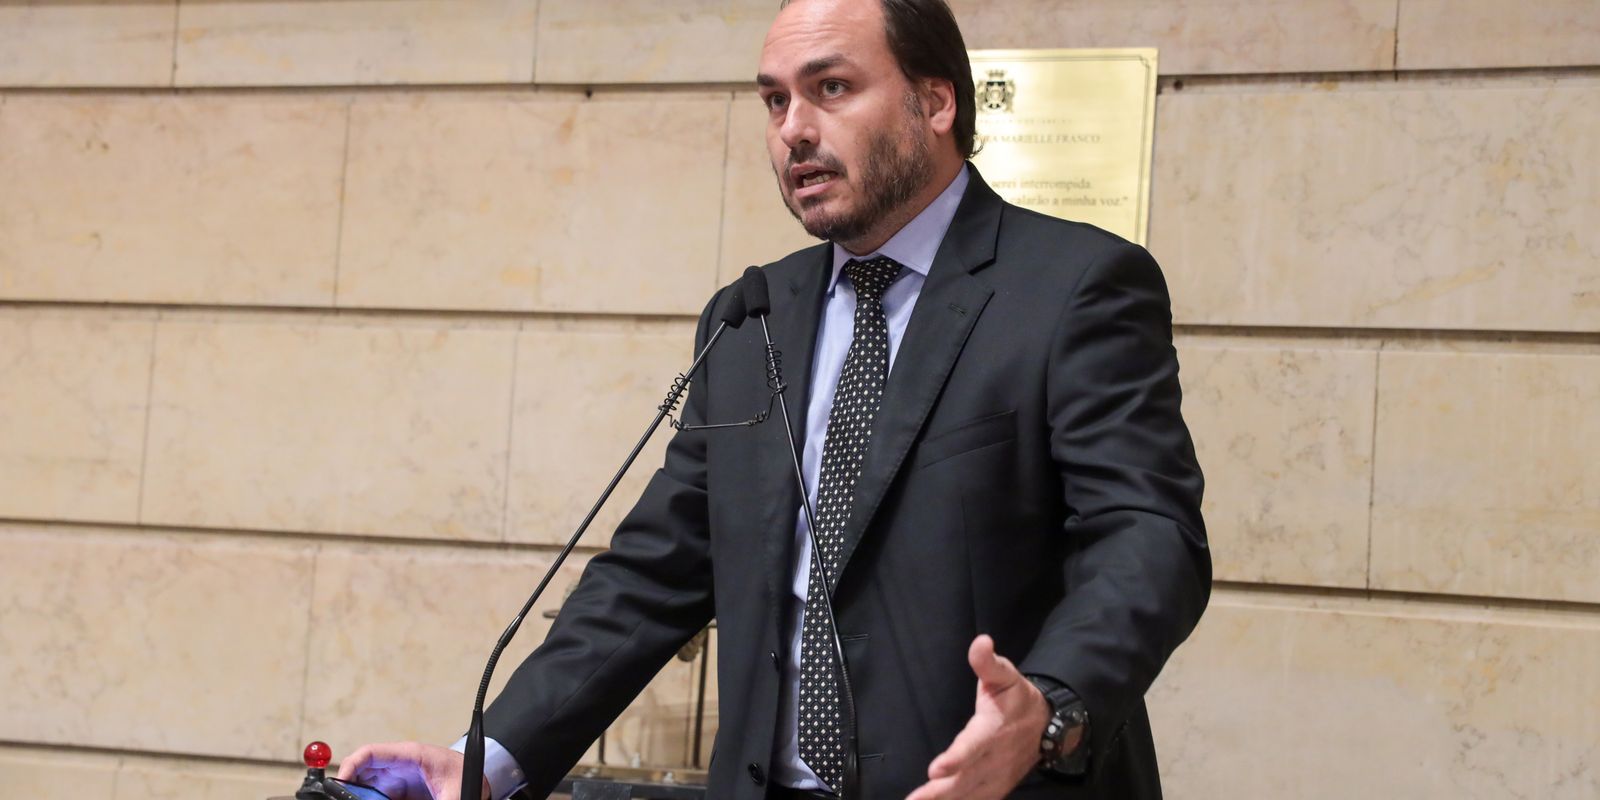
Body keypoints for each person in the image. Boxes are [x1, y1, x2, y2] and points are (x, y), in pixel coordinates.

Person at [339, 0, 1209, 797]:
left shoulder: (1073, 287)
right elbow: (653, 574)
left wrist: (1050, 708)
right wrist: (489, 759)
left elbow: (1147, 535)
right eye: (774, 100)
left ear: (935, 102)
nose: (794, 129)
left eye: (831, 89)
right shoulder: (752, 315)